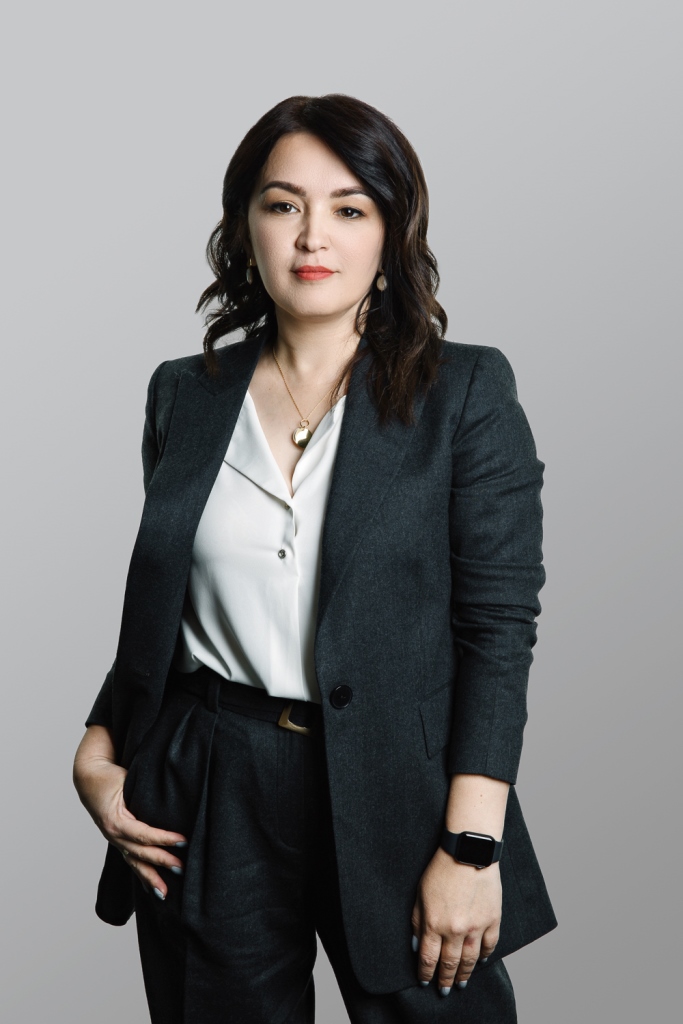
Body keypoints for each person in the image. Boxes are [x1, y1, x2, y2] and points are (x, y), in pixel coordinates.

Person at [73, 94, 557, 1024]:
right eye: (282, 204)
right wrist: (98, 751)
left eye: (348, 207)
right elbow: (172, 608)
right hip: (208, 783)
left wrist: (471, 847)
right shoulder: (184, 394)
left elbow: (498, 631)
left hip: (401, 787)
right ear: (245, 226)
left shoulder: (464, 392)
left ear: (390, 230)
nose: (311, 236)